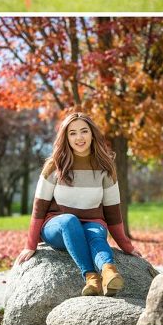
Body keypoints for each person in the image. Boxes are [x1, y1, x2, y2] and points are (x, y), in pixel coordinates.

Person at [14, 112, 143, 297]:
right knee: (69, 221)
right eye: (72, 133)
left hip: (92, 223)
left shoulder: (105, 168)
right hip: (57, 226)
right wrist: (30, 244)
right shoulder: (54, 166)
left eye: (84, 131)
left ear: (92, 134)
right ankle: (91, 277)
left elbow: (112, 212)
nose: (79, 137)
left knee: (96, 235)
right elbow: (39, 208)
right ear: (66, 137)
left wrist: (127, 246)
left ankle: (109, 273)